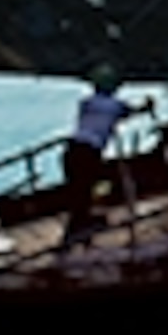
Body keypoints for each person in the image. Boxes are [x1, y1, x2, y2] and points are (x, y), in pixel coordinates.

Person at [64, 66, 130, 223]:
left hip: (73, 148)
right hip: (90, 152)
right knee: (95, 183)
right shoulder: (116, 105)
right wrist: (147, 106)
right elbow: (128, 112)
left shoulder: (86, 103)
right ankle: (84, 221)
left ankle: (80, 220)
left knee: (78, 188)